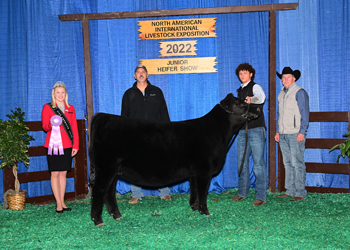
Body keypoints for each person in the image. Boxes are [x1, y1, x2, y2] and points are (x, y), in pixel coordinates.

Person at [121, 65, 172, 204]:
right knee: (135, 165)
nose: (141, 74)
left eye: (143, 72)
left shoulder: (157, 91)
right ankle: (136, 194)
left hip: (156, 134)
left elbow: (164, 113)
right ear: (134, 76)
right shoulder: (128, 94)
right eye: (138, 72)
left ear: (147, 75)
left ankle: (165, 192)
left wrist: (167, 132)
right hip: (135, 135)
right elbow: (124, 117)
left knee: (160, 163)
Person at [230, 62, 267, 206]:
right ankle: (242, 193)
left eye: (245, 73)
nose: (242, 75)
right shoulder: (239, 91)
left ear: (251, 74)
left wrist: (252, 99)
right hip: (242, 130)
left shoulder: (255, 87)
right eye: (240, 73)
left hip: (256, 129)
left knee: (258, 164)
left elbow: (261, 97)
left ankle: (261, 196)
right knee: (242, 162)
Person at [42, 81, 79, 213]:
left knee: (63, 173)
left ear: (66, 94)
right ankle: (58, 202)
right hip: (53, 145)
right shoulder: (48, 108)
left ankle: (63, 201)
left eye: (62, 92)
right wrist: (53, 124)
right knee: (55, 173)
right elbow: (45, 127)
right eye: (58, 92)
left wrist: (76, 145)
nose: (60, 94)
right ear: (54, 94)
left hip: (68, 145)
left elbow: (74, 128)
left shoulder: (71, 108)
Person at [274, 67, 309, 201]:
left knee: (297, 162)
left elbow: (304, 113)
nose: (285, 80)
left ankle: (300, 192)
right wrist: (278, 130)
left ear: (294, 79)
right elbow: (279, 114)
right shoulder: (281, 93)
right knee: (287, 163)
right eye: (283, 77)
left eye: (288, 77)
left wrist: (302, 131)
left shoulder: (299, 92)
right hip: (283, 133)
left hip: (295, 133)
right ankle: (289, 190)